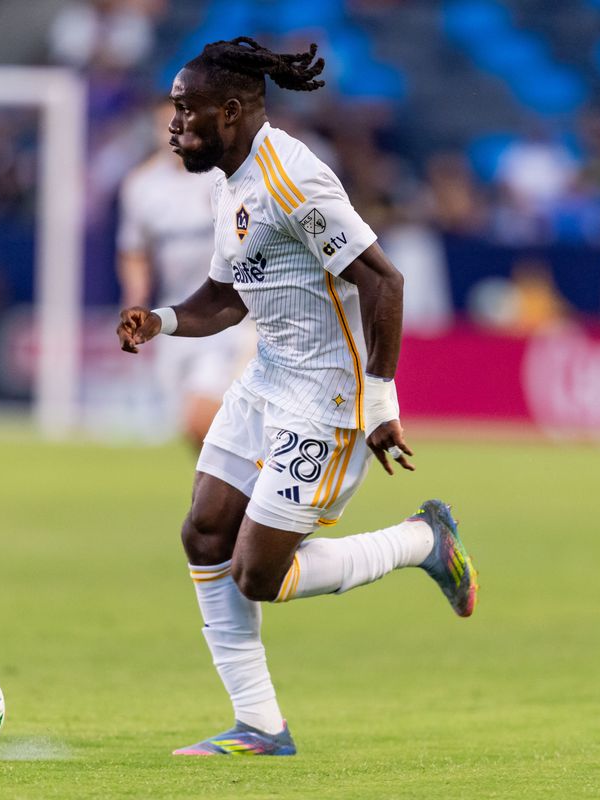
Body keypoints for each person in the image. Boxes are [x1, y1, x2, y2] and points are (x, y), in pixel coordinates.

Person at [116, 38, 479, 757]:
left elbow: (384, 281)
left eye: (186, 110)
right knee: (203, 533)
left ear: (230, 111)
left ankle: (422, 542)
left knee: (258, 574)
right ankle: (258, 726)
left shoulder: (292, 179)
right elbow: (226, 297)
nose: (174, 124)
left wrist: (380, 403)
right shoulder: (230, 181)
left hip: (327, 400)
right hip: (266, 381)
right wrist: (160, 320)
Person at [117, 99, 251, 448]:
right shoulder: (141, 186)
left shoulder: (225, 177)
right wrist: (135, 302)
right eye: (169, 126)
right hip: (176, 315)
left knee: (201, 417)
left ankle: (257, 478)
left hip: (226, 315)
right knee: (194, 429)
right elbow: (134, 252)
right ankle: (241, 480)